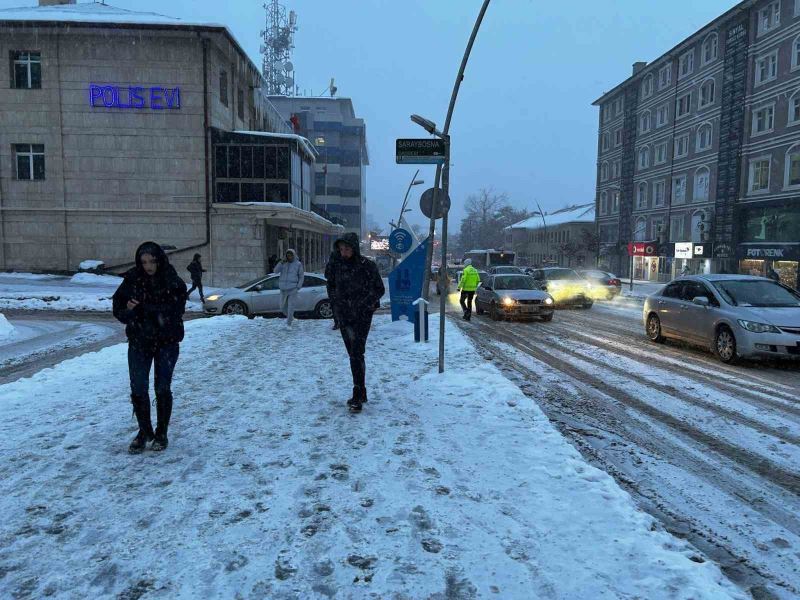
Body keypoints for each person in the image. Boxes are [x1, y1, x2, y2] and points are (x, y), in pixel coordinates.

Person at [112, 241, 187, 453]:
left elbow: (174, 311)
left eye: (152, 261)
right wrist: (129, 312)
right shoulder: (132, 280)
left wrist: (144, 308)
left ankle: (161, 432)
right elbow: (119, 309)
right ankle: (144, 431)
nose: (148, 266)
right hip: (139, 342)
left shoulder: (172, 281)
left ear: (159, 260)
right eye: (144, 262)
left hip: (166, 342)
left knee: (162, 388)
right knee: (138, 388)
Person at [326, 232, 385, 413]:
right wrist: (337, 308)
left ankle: (357, 394)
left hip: (361, 317)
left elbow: (379, 289)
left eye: (347, 249)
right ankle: (362, 391)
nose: (344, 252)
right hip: (344, 316)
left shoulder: (367, 266)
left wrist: (364, 305)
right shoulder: (337, 266)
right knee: (354, 354)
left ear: (355, 248)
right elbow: (330, 284)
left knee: (356, 353)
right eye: (341, 249)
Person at [273, 249, 304, 327]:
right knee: (282, 307)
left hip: (293, 288)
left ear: (293, 255)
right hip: (283, 289)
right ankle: (291, 317)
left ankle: (289, 324)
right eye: (287, 255)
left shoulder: (298, 264)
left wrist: (298, 286)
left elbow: (301, 276)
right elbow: (275, 271)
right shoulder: (283, 263)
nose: (289, 257)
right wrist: (281, 263)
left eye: (290, 255)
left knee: (291, 307)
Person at [324, 249, 341, 330]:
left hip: (334, 287)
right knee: (337, 306)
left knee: (335, 306)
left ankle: (337, 322)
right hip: (334, 287)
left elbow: (326, 275)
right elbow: (326, 275)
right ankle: (338, 322)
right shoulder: (339, 264)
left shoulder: (330, 264)